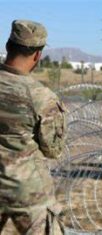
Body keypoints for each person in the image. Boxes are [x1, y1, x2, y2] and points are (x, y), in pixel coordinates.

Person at [0, 20, 66, 234]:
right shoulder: (41, 97)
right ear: (37, 55)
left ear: (8, 46)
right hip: (28, 196)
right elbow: (52, 149)